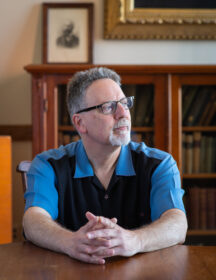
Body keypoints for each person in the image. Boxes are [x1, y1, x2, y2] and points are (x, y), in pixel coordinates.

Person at [23, 67, 187, 265]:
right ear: (80, 123)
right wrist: (70, 242)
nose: (123, 113)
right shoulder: (47, 165)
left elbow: (177, 224)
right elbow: (32, 221)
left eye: (124, 103)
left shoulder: (160, 164)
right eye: (108, 107)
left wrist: (135, 240)